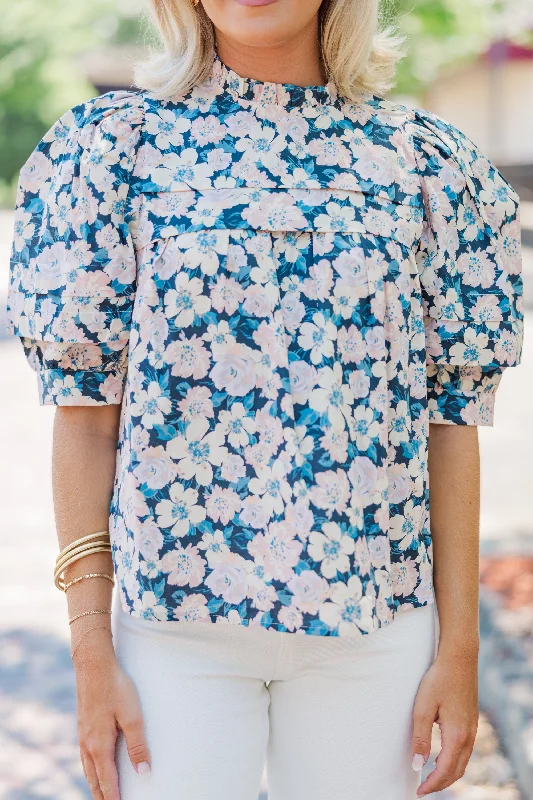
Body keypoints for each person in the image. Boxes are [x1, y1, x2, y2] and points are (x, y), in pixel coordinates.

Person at [5, 0, 524, 798]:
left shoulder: (423, 163)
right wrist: (90, 653)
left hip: (373, 629)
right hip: (173, 629)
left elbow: (449, 424)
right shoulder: (117, 151)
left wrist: (458, 654)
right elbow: (84, 420)